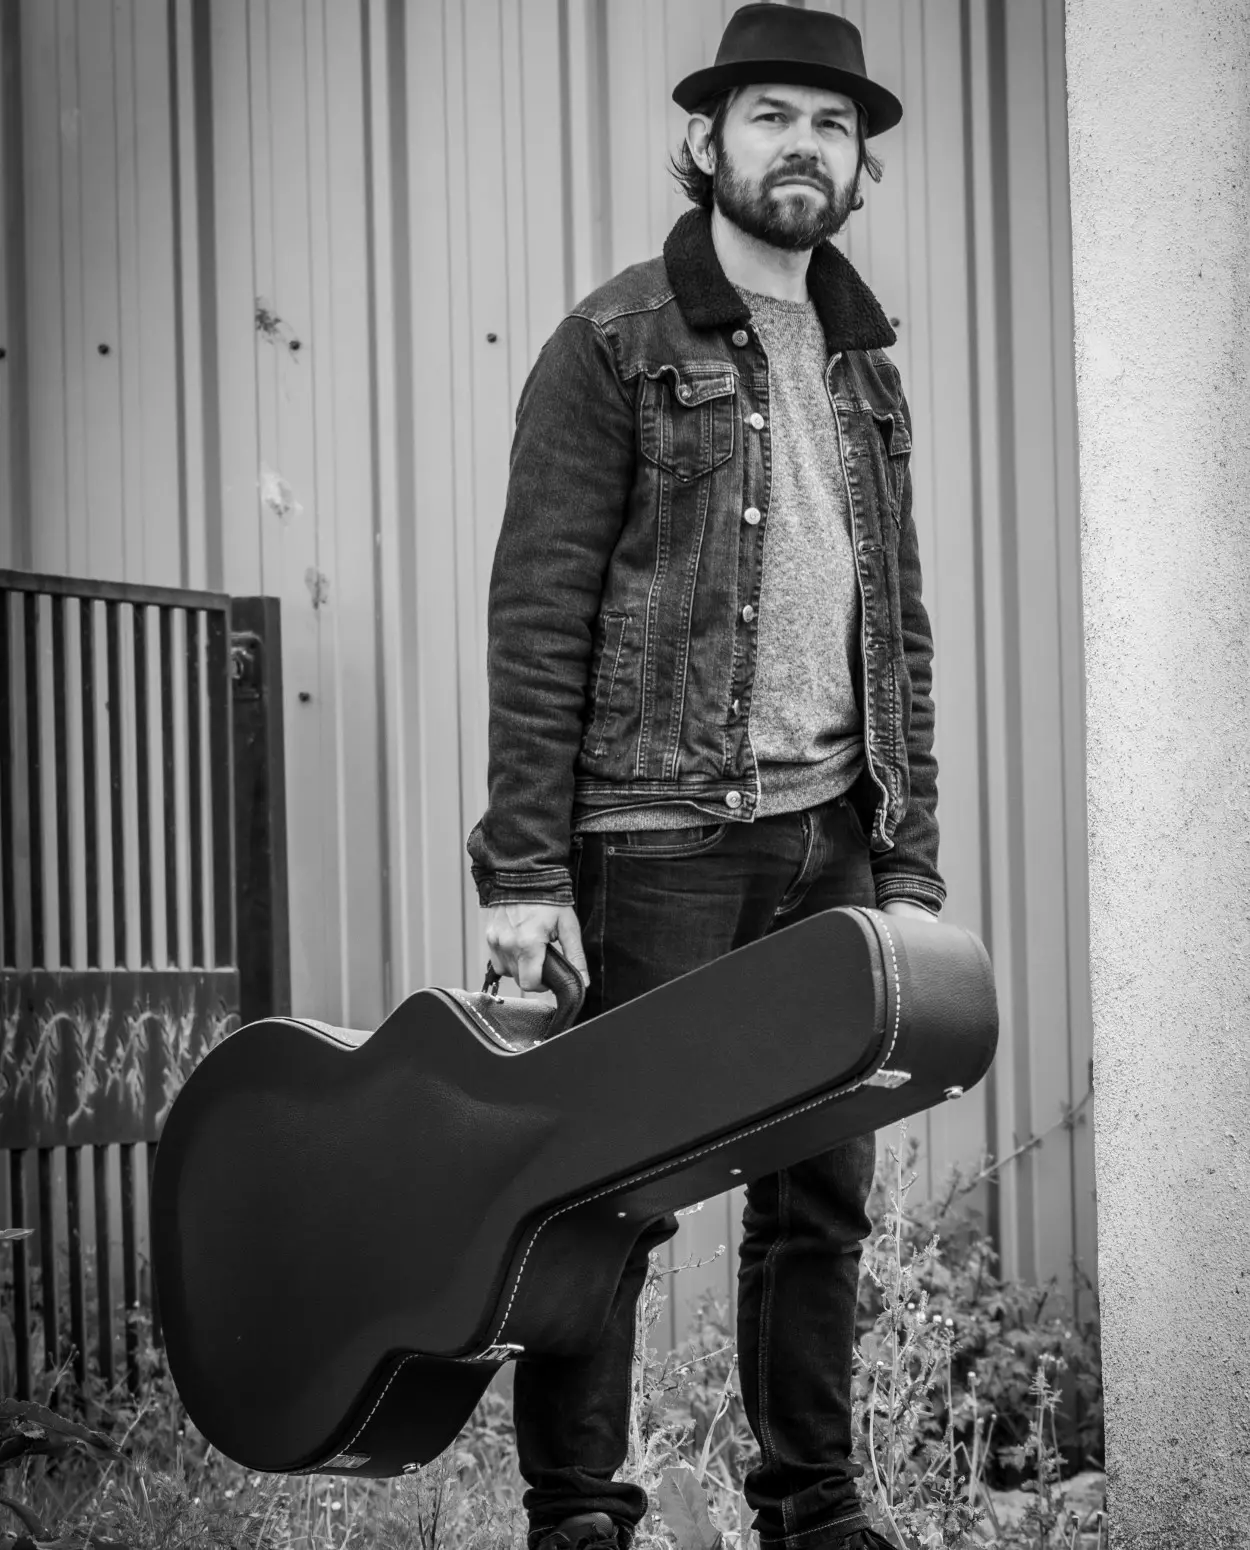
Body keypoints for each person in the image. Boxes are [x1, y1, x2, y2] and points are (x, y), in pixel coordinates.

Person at [466, 7, 945, 1548]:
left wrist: (909, 854)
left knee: (820, 1195)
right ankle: (580, 1513)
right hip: (653, 835)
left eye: (830, 124)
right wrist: (524, 873)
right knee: (606, 1185)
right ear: (707, 143)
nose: (802, 145)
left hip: (831, 837)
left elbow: (899, 629)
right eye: (770, 115)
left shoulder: (864, 366)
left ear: (857, 167)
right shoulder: (611, 341)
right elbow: (539, 611)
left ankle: (812, 1505)